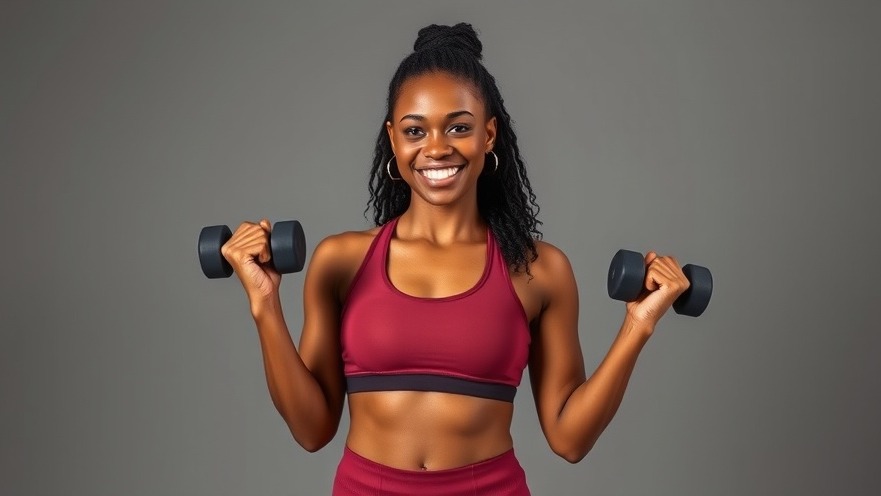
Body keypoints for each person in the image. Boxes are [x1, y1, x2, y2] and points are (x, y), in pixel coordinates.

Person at [219, 23, 691, 496]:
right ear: (393, 140)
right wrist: (264, 303)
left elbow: (569, 439)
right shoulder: (339, 261)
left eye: (459, 127)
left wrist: (638, 324)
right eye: (414, 130)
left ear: (488, 136)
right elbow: (311, 430)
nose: (437, 147)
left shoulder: (537, 270)